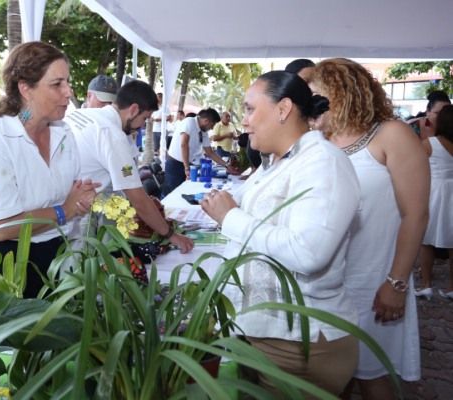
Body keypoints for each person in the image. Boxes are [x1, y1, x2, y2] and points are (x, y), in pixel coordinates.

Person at [202, 71, 360, 395]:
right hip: (265, 333)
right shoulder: (277, 162)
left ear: (283, 109)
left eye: (249, 109)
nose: (244, 121)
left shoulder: (323, 163)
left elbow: (308, 253)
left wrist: (230, 217)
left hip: (298, 341)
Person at [311, 58, 430, 399]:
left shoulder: (391, 134)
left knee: (374, 378)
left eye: (318, 96)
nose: (312, 105)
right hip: (327, 284)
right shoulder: (317, 140)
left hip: (375, 279)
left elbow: (416, 215)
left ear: (344, 92)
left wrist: (397, 282)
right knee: (332, 380)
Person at [0, 41, 99, 299]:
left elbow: (70, 191)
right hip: (0, 266)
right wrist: (65, 210)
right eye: (57, 84)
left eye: (68, 82)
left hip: (54, 258)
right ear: (25, 89)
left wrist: (81, 198)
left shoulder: (63, 134)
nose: (68, 92)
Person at [66, 80, 194, 253]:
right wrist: (171, 235)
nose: (141, 126)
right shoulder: (112, 134)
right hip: (80, 214)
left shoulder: (85, 115)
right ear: (133, 109)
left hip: (61, 205)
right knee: (80, 264)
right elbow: (138, 199)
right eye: (144, 118)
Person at [416, 104, 453, 300]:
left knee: (426, 241)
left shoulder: (429, 143)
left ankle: (426, 285)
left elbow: (416, 167)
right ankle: (451, 287)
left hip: (436, 192)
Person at [163, 108, 235, 195]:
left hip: (187, 165)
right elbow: (184, 144)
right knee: (173, 194)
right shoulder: (189, 122)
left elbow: (210, 152)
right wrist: (186, 168)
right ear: (206, 121)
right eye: (212, 125)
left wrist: (227, 165)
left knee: (184, 193)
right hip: (175, 164)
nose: (212, 128)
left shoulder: (203, 132)